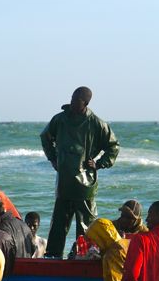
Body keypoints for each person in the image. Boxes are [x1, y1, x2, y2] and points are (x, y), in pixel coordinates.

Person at [40, 86, 119, 257]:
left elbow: (113, 146)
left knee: (86, 226)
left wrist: (99, 164)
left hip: (85, 183)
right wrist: (53, 158)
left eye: (77, 100)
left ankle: (83, 257)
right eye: (72, 98)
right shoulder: (60, 119)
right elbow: (45, 137)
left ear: (86, 103)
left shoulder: (96, 123)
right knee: (58, 225)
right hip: (63, 182)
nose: (72, 102)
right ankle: (52, 257)